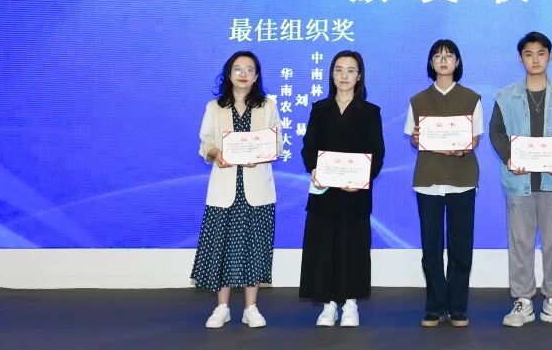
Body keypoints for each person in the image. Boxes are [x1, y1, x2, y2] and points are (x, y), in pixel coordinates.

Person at [489, 32, 552, 328]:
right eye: (528, 54)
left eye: (541, 53)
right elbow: (496, 132)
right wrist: (510, 157)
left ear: (550, 56)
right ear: (521, 59)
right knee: (520, 242)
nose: (535, 59)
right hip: (519, 182)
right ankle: (523, 301)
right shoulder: (505, 96)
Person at [193, 51, 281, 329]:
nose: (243, 74)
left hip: (257, 189)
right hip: (225, 189)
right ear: (229, 74)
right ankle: (222, 308)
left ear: (256, 76)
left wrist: (263, 153)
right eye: (237, 69)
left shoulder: (267, 106)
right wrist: (215, 152)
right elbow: (205, 142)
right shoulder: (215, 107)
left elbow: (277, 143)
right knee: (222, 248)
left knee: (254, 247)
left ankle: (251, 308)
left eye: (249, 69)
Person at [299, 50, 385, 327]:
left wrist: (360, 180)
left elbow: (377, 152)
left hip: (355, 193)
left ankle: (350, 304)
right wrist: (314, 169)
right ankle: (328, 305)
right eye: (338, 70)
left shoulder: (370, 112)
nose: (344, 76)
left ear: (359, 76)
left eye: (350, 70)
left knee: (353, 248)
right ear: (332, 74)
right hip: (324, 192)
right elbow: (309, 146)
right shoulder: (319, 109)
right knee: (323, 248)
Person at [405, 39, 482, 327]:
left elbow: (474, 138)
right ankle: (435, 306)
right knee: (431, 247)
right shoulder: (417, 100)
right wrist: (418, 139)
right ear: (431, 63)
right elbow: (414, 138)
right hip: (428, 181)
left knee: (461, 246)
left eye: (449, 56)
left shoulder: (472, 98)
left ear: (457, 62)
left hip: (462, 180)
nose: (443, 60)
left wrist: (461, 149)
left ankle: (458, 307)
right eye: (437, 56)